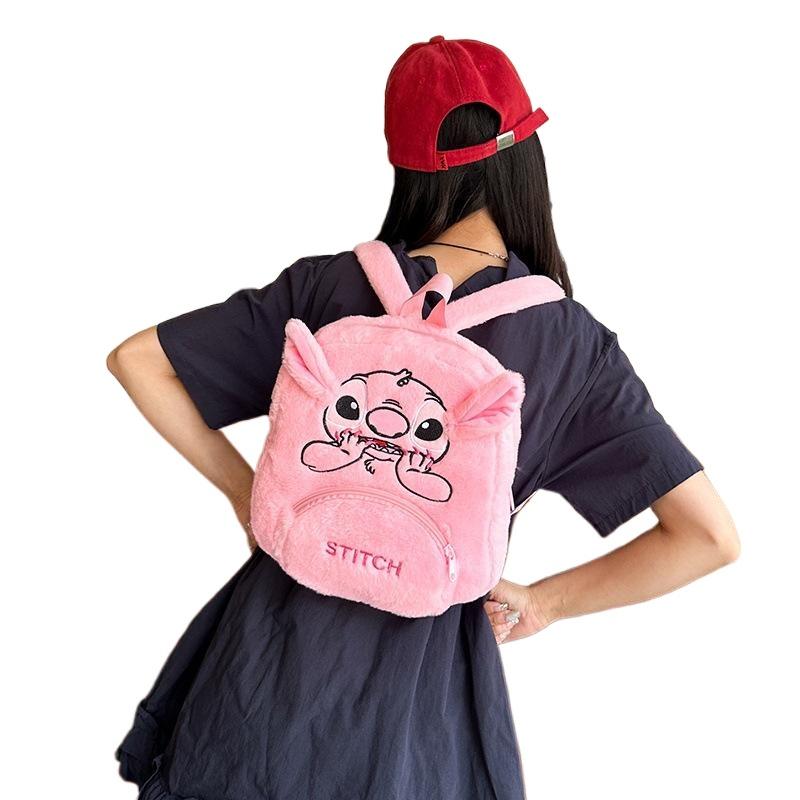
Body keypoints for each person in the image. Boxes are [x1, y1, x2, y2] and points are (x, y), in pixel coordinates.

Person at [108, 35, 739, 800]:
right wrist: (543, 603)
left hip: (262, 673)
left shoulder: (329, 286)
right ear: (525, 158)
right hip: (419, 705)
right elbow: (708, 537)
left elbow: (138, 360)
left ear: (405, 164)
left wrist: (249, 496)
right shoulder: (571, 346)